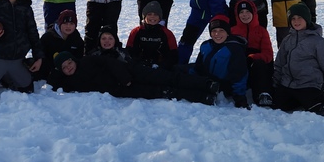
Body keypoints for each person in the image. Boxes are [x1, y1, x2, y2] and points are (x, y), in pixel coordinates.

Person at [47, 52, 218, 105]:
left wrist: (124, 77)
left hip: (131, 72)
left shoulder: (88, 61)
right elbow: (52, 82)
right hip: (122, 90)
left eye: (69, 62)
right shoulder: (69, 82)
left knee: (168, 78)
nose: (68, 67)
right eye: (64, 68)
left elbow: (111, 62)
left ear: (73, 59)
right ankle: (204, 97)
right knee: (164, 92)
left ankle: (206, 84)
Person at [271, 3, 324, 117]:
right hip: (288, 84)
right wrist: (276, 84)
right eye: (293, 18)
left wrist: (322, 87)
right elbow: (279, 64)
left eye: (299, 18)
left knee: (317, 109)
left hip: (308, 85)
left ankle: (321, 97)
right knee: (278, 105)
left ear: (306, 19)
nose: (296, 21)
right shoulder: (287, 40)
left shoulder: (319, 42)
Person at [191, 15, 250, 109]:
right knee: (178, 69)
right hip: (206, 80)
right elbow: (198, 67)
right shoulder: (206, 45)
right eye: (214, 31)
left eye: (221, 30)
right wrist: (190, 78)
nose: (217, 34)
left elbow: (239, 74)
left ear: (227, 33)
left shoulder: (234, 49)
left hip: (222, 85)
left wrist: (240, 98)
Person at [230, 0, 275, 107]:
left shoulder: (262, 31)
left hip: (256, 65)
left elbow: (268, 54)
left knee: (260, 65)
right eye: (241, 12)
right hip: (239, 64)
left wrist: (253, 57)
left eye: (247, 12)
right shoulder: (232, 31)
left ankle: (263, 94)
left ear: (253, 13)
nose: (244, 15)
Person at [125, 1, 178, 70]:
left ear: (159, 18)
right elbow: (129, 52)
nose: (152, 17)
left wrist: (163, 66)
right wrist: (139, 64)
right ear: (144, 17)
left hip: (161, 68)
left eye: (155, 14)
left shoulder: (167, 33)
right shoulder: (136, 32)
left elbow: (173, 54)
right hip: (140, 67)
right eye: (149, 14)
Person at [37, 9, 85, 81]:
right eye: (65, 23)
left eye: (71, 24)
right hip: (50, 70)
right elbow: (40, 54)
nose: (68, 26)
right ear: (59, 24)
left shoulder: (77, 39)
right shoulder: (48, 37)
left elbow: (79, 56)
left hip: (70, 71)